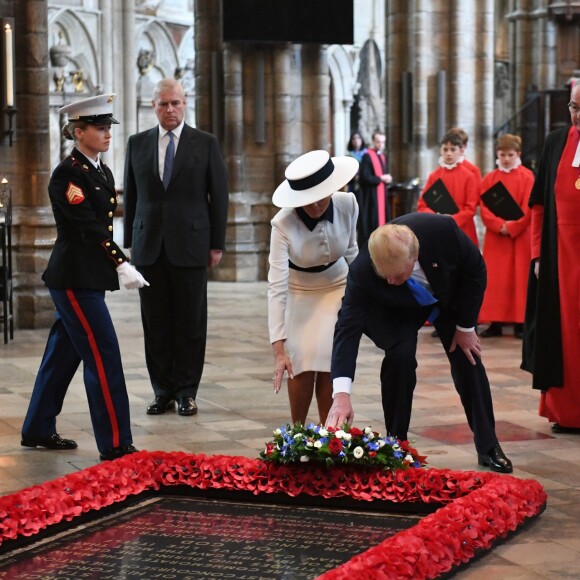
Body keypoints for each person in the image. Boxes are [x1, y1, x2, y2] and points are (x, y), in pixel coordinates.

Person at [325, 212, 513, 473]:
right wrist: (341, 395)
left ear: (414, 257)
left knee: (468, 357)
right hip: (396, 308)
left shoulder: (442, 231)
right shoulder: (363, 270)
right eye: (385, 275)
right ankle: (396, 446)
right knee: (400, 357)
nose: (389, 280)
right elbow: (347, 330)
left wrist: (466, 327)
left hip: (448, 296)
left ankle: (488, 446)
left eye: (395, 275)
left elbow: (475, 270)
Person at [21, 94, 145, 461]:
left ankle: (38, 428)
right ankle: (116, 444)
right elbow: (88, 227)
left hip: (88, 277)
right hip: (74, 279)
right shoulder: (68, 174)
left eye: (108, 128)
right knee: (104, 355)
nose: (108, 134)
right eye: (100, 128)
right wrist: (122, 262)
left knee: (62, 356)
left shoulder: (100, 170)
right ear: (79, 132)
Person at [123, 79, 229, 417]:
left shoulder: (205, 143)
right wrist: (130, 244)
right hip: (149, 245)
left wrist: (217, 244)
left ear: (186, 104)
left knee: (190, 322)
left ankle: (186, 391)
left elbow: (219, 196)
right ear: (153, 106)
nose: (170, 109)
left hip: (192, 245)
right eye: (164, 104)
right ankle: (162, 390)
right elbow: (133, 195)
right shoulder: (137, 143)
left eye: (176, 103)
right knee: (155, 323)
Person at [268, 150, 359, 425]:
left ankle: (329, 435)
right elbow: (276, 284)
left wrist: (366, 299)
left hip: (338, 286)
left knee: (332, 358)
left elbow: (353, 252)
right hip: (299, 291)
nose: (317, 204)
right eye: (309, 198)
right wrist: (279, 348)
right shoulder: (281, 224)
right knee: (301, 360)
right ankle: (297, 433)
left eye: (323, 194)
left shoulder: (348, 203)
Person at [522, 83, 580, 433]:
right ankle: (566, 410)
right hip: (560, 258)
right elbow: (539, 206)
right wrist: (537, 255)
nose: (577, 116)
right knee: (563, 334)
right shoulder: (556, 142)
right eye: (573, 107)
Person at [479, 134, 533, 339]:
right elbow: (484, 207)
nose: (506, 159)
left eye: (510, 155)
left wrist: (512, 227)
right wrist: (498, 225)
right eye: (502, 155)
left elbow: (529, 207)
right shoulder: (490, 178)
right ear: (497, 154)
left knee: (519, 279)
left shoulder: (527, 177)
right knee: (496, 280)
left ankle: (521, 322)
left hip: (519, 237)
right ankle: (496, 321)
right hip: (497, 237)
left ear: (518, 154)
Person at [417, 130, 480, 247]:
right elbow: (422, 205)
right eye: (445, 149)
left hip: (462, 228)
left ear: (460, 151)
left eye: (453, 149)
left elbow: (471, 208)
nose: (449, 153)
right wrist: (437, 219)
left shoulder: (468, 176)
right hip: (438, 227)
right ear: (440, 150)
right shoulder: (434, 176)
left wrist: (452, 220)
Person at [357, 131, 393, 246]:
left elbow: (383, 174)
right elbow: (364, 177)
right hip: (371, 197)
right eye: (378, 142)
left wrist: (387, 179)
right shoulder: (367, 156)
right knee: (372, 223)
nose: (380, 145)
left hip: (381, 195)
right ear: (373, 141)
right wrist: (381, 178)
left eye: (382, 142)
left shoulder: (382, 156)